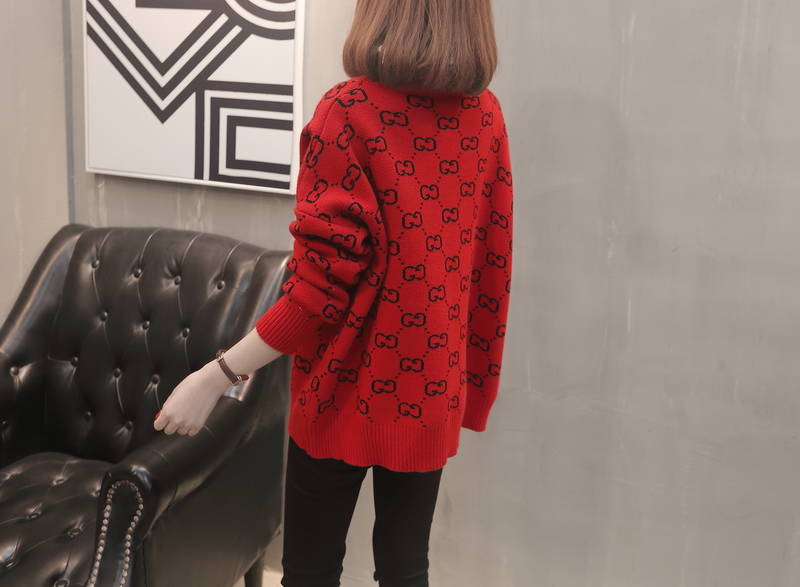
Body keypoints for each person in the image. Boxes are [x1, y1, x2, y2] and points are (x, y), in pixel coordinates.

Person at [153, 0, 513, 584]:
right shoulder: (486, 116)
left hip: (342, 392)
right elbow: (490, 269)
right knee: (406, 569)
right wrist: (469, 384)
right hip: (433, 389)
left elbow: (316, 295)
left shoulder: (349, 112)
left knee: (310, 571)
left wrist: (215, 375)